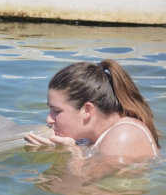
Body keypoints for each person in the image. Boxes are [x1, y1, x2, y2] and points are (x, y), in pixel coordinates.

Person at [25, 59, 160, 160]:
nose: (48, 119)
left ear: (87, 110)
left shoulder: (123, 135)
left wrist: (70, 151)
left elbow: (82, 189)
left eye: (57, 111)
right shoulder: (89, 137)